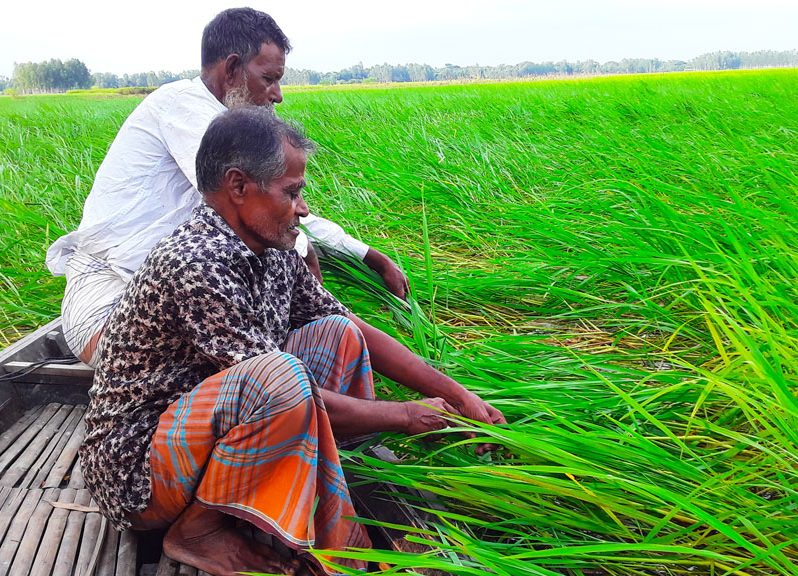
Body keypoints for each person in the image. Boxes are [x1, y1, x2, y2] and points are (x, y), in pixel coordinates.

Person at [79, 107, 505, 576]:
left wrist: (457, 394)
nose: (302, 208)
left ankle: (305, 481)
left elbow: (356, 327)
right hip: (138, 470)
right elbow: (278, 387)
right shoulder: (197, 263)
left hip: (200, 438)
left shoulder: (270, 248)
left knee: (337, 334)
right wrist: (405, 415)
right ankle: (198, 530)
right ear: (239, 187)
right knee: (280, 377)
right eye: (291, 192)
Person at [46, 7, 408, 367]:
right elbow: (273, 210)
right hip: (108, 300)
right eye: (268, 78)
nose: (277, 95)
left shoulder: (229, 129)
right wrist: (320, 257)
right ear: (232, 70)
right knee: (285, 306)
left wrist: (367, 256)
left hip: (173, 295)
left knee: (290, 288)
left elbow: (278, 207)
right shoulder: (186, 110)